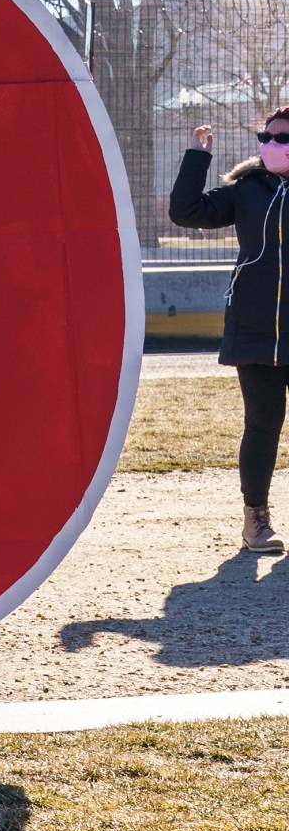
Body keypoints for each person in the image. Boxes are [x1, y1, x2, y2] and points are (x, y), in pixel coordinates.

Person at [170, 115, 289, 555]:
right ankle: (256, 519)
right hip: (254, 330)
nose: (272, 144)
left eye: (282, 137)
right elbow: (185, 212)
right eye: (267, 137)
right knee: (262, 425)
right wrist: (197, 158)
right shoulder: (246, 190)